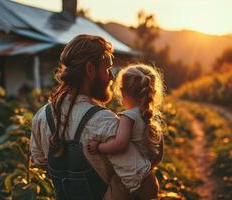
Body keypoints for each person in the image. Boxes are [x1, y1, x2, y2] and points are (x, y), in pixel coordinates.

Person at [30, 34, 152, 199]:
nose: (111, 77)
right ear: (90, 69)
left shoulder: (42, 116)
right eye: (107, 68)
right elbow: (149, 188)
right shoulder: (104, 123)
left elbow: (40, 162)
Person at [87, 64, 165, 200]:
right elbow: (159, 154)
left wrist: (98, 147)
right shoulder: (148, 118)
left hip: (131, 183)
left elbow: (120, 144)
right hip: (150, 181)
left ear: (122, 92)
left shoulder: (128, 117)